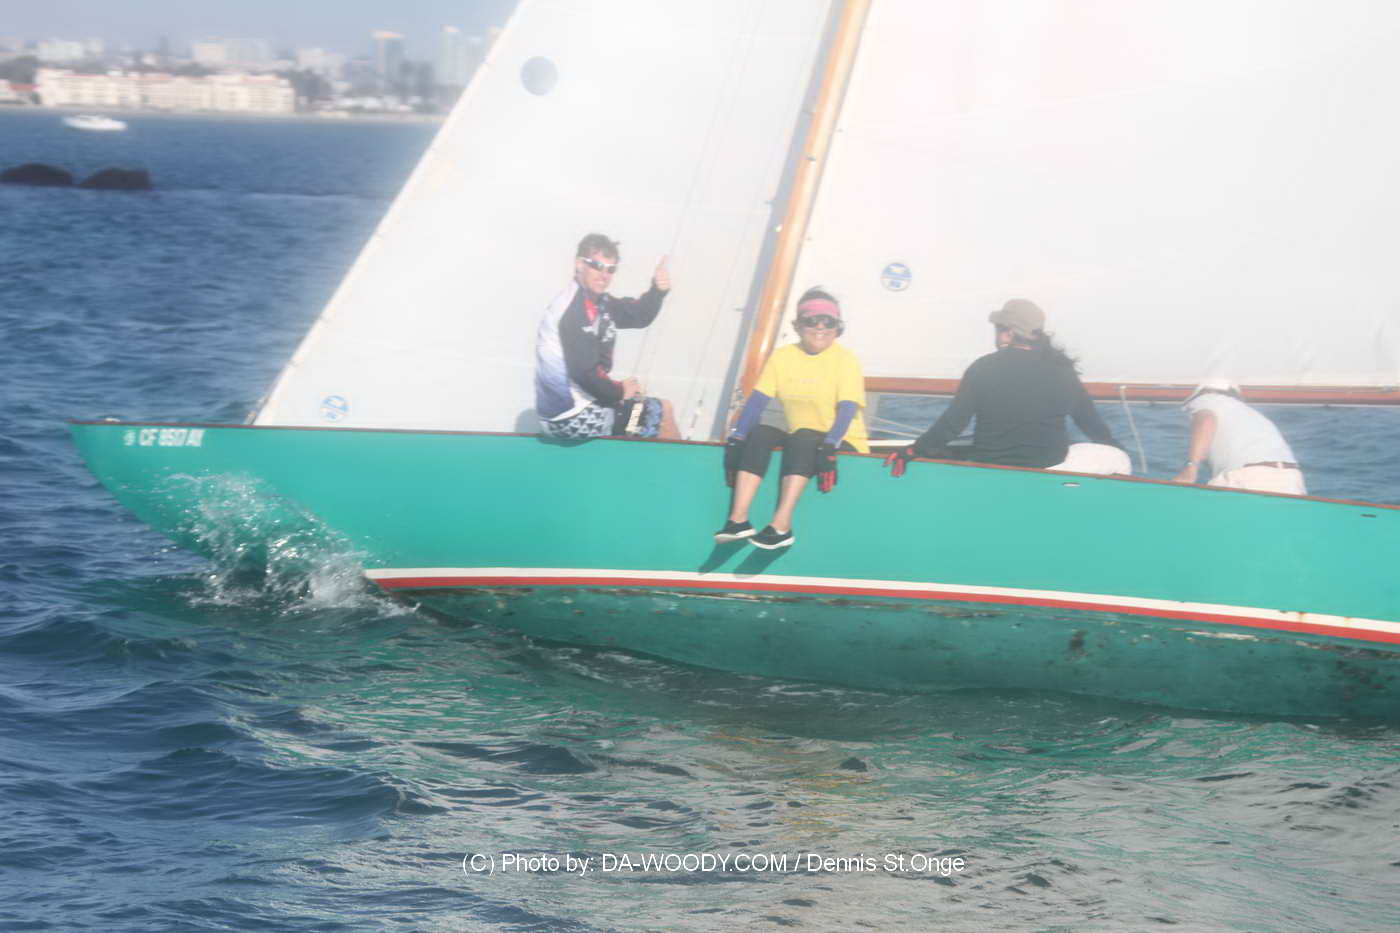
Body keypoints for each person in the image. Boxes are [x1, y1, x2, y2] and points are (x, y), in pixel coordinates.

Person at [884, 298, 1122, 475]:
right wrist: (1116, 448)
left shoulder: (982, 368)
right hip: (1047, 467)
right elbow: (1091, 423)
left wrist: (913, 451)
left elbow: (951, 426)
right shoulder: (1062, 369)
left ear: (1008, 333)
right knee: (1118, 459)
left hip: (992, 466)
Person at [715, 288, 869, 549]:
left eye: (828, 321)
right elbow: (756, 403)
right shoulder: (783, 356)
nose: (820, 327)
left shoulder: (846, 359)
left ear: (837, 327)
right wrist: (736, 440)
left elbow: (847, 409)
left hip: (839, 442)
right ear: (798, 326)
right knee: (761, 432)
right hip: (804, 441)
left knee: (803, 436)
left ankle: (781, 526)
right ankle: (738, 520)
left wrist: (830, 445)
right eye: (811, 320)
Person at [534, 233, 679, 439]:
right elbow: (585, 373)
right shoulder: (573, 310)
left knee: (638, 413)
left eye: (611, 269)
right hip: (573, 419)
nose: (604, 275)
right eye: (597, 266)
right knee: (662, 411)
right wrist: (620, 391)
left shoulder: (598, 302)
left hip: (578, 409)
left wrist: (657, 290)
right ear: (579, 264)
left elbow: (637, 316)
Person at [1171, 380, 1305, 494]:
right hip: (1291, 479)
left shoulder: (1207, 399)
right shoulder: (1252, 414)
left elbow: (1206, 420)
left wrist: (1191, 467)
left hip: (1250, 477)